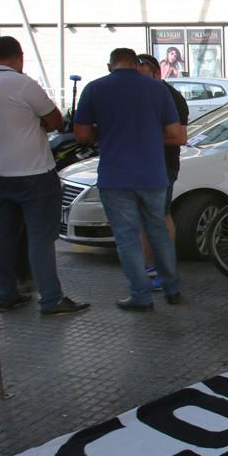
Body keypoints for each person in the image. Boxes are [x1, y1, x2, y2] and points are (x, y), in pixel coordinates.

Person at [0, 36, 89, 315]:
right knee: (40, 236)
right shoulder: (23, 83)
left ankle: (6, 293)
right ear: (19, 55)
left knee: (3, 233)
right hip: (33, 173)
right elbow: (55, 120)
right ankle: (50, 298)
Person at [74, 47, 186, 310]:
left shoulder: (94, 88)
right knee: (158, 230)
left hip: (116, 175)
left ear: (110, 65)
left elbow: (81, 134)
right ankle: (172, 288)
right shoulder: (157, 89)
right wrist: (144, 134)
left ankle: (141, 296)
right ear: (136, 64)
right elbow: (174, 132)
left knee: (127, 237)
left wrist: (108, 133)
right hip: (153, 174)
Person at [136, 54, 189, 289]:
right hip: (141, 164)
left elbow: (179, 137)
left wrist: (144, 139)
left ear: (157, 73)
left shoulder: (172, 98)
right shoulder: (139, 95)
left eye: (143, 75)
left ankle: (164, 269)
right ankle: (149, 264)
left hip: (163, 164)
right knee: (144, 216)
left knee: (160, 214)